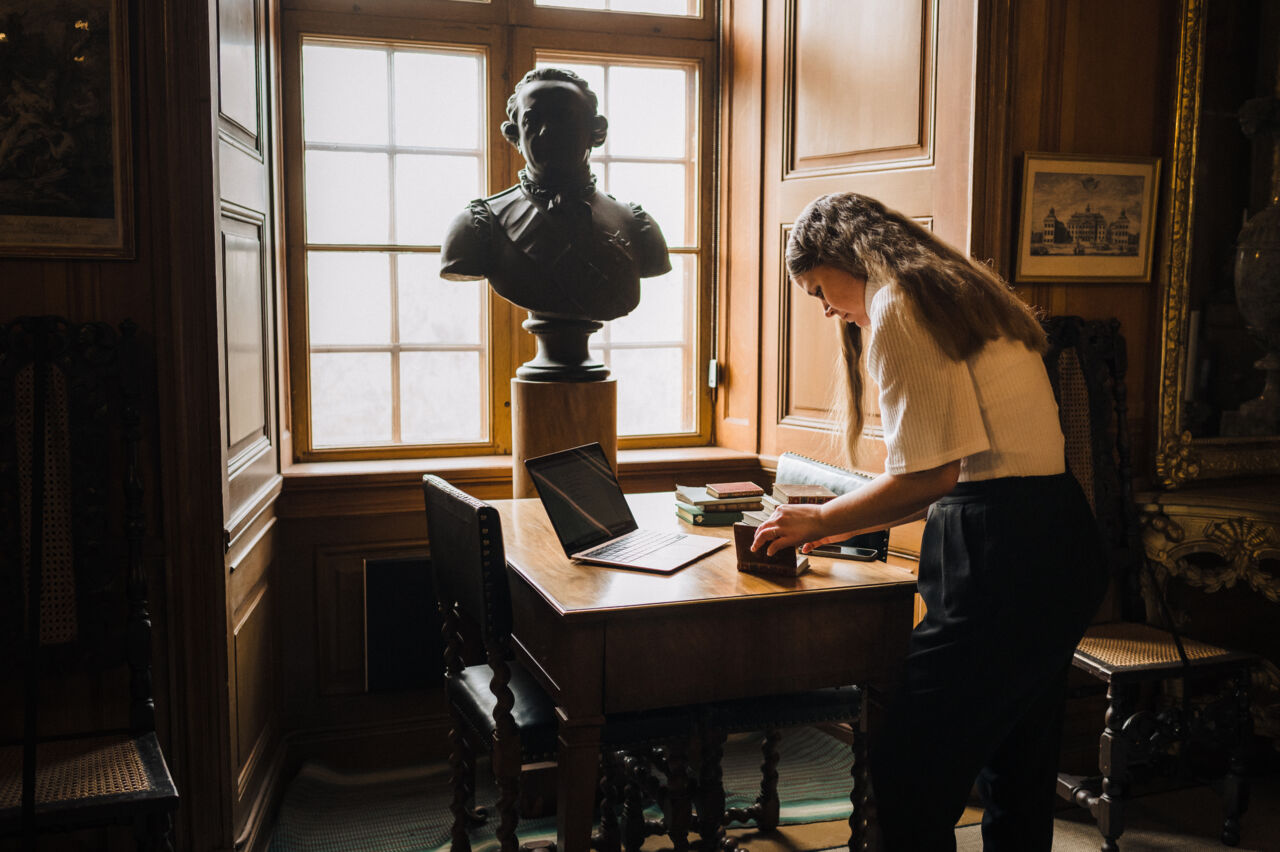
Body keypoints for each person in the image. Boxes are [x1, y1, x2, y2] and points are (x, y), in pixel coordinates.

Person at [752, 192, 1108, 851]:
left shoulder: (899, 307)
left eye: (816, 291)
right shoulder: (960, 289)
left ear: (839, 258)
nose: (827, 309)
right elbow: (941, 471)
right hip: (1058, 534)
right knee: (1018, 771)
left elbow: (929, 476)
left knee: (905, 777)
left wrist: (819, 521)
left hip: (1001, 548)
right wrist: (830, 518)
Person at [440, 67, 671, 322]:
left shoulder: (637, 225)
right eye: (533, 121)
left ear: (596, 131)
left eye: (564, 118)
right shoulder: (477, 226)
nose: (547, 132)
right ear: (514, 135)